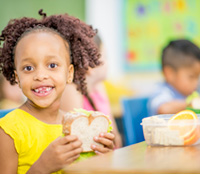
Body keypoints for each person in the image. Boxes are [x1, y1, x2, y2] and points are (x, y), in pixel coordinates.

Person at [0, 10, 115, 174]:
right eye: (28, 68)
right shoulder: (9, 131)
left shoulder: (79, 124)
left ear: (69, 74)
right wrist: (42, 168)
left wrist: (104, 159)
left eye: (52, 65)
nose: (40, 76)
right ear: (16, 77)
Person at [61, 35, 123, 148]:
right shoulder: (71, 91)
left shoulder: (99, 87)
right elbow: (75, 141)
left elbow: (115, 137)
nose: (108, 63)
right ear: (89, 66)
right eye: (106, 57)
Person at [149, 39, 200, 115]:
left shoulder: (185, 95)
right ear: (170, 73)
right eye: (191, 77)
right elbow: (163, 109)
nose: (197, 83)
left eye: (198, 77)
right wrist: (193, 103)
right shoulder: (162, 91)